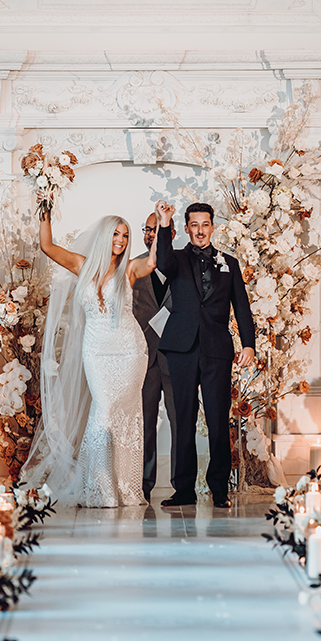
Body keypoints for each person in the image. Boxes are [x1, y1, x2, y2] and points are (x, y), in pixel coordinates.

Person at [22, 211, 157, 508]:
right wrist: (44, 204)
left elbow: (152, 262)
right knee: (104, 412)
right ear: (104, 235)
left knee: (125, 418)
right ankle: (100, 486)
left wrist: (161, 224)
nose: (120, 241)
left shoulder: (130, 269)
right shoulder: (81, 265)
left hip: (130, 350)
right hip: (96, 350)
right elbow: (47, 247)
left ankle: (122, 486)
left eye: (125, 236)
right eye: (115, 234)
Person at [154, 200, 255, 509]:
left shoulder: (230, 263)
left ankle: (219, 489)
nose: (199, 230)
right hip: (181, 348)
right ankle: (184, 490)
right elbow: (162, 264)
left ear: (213, 227)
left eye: (205, 224)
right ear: (186, 228)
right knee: (182, 419)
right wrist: (163, 223)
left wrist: (249, 345)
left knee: (217, 420)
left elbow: (242, 306)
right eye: (193, 225)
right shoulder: (176, 259)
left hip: (217, 350)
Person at [132, 211, 178, 500]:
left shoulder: (182, 265)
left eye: (157, 229)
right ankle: (143, 486)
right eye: (147, 229)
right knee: (144, 426)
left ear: (171, 233)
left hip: (176, 357)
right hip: (143, 358)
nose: (151, 234)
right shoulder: (132, 266)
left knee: (179, 422)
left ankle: (181, 486)